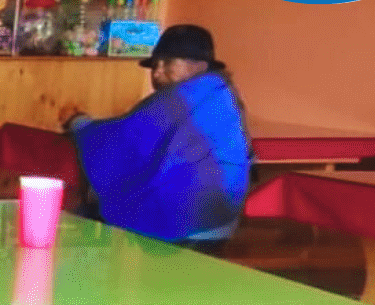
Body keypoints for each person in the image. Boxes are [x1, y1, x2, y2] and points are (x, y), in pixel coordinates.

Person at [58, 24, 251, 249]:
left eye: (167, 63)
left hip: (188, 228)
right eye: (155, 66)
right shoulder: (220, 95)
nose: (157, 73)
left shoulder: (183, 98)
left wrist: (78, 123)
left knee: (86, 208)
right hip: (221, 223)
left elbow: (123, 140)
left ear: (199, 65)